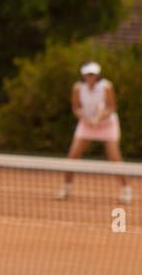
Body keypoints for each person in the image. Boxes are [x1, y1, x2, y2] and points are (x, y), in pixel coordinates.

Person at [57, 61, 132, 203]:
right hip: (86, 124)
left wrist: (100, 118)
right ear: (83, 75)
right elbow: (76, 108)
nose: (90, 77)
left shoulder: (107, 87)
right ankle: (66, 188)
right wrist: (85, 119)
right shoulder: (78, 88)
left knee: (115, 158)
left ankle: (126, 190)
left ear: (97, 75)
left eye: (93, 74)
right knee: (72, 156)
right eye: (88, 74)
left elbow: (111, 107)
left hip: (107, 125)